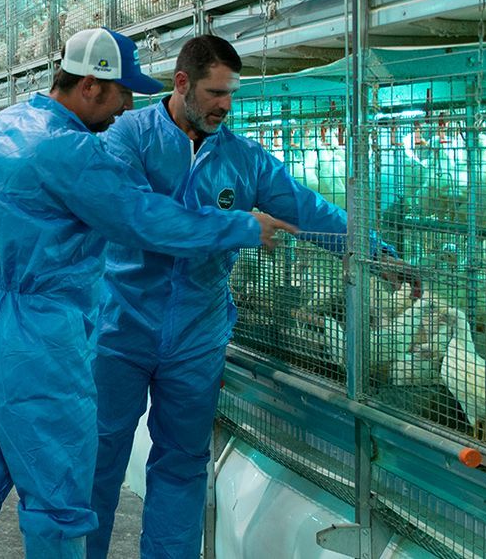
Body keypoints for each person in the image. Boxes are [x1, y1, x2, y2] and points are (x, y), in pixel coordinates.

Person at [0, 27, 299, 559]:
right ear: (92, 86)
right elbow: (143, 219)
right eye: (122, 93)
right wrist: (243, 228)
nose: (126, 107)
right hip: (38, 341)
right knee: (57, 500)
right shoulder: (69, 150)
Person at [86, 35, 412, 558]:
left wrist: (374, 252)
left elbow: (307, 212)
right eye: (216, 93)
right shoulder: (129, 138)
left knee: (182, 463)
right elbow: (139, 221)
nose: (226, 106)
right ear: (182, 84)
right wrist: (237, 226)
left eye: (232, 94)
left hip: (197, 332)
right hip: (122, 325)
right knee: (98, 456)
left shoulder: (242, 159)